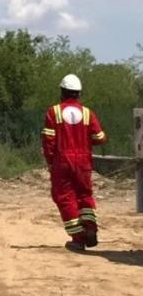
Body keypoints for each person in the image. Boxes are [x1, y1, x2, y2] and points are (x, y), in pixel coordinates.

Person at [42, 73, 107, 251]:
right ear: (79, 93)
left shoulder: (53, 112)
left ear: (62, 92)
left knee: (65, 198)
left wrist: (50, 162)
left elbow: (49, 141)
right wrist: (85, 138)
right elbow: (100, 137)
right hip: (83, 161)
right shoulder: (87, 113)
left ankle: (78, 238)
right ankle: (91, 228)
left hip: (62, 161)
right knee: (84, 195)